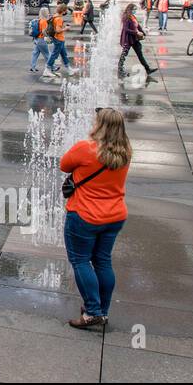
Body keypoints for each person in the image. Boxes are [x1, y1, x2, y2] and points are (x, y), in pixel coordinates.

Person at [61, 107, 131, 330]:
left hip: (85, 215)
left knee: (81, 260)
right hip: (115, 215)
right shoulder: (126, 151)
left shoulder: (86, 148)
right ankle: (103, 311)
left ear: (99, 125)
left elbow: (64, 165)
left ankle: (92, 312)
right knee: (102, 261)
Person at [118, 4, 156, 77]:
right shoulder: (126, 17)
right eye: (134, 9)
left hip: (134, 39)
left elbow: (138, 26)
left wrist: (143, 33)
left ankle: (148, 69)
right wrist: (136, 32)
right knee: (124, 55)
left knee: (140, 54)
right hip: (127, 39)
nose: (135, 11)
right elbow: (126, 29)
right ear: (130, 9)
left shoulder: (133, 17)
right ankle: (120, 71)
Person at [45, 5, 70, 74]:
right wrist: (66, 28)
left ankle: (69, 68)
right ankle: (47, 69)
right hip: (59, 39)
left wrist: (62, 27)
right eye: (66, 10)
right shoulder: (59, 19)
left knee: (64, 54)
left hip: (57, 38)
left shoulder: (55, 16)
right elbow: (58, 30)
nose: (66, 11)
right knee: (54, 54)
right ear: (63, 11)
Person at [29, 6, 51, 73]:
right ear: (45, 13)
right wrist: (49, 38)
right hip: (41, 40)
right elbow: (44, 31)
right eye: (48, 12)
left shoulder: (39, 20)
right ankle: (52, 67)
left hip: (37, 39)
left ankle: (32, 67)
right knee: (47, 54)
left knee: (35, 53)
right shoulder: (44, 21)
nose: (49, 13)